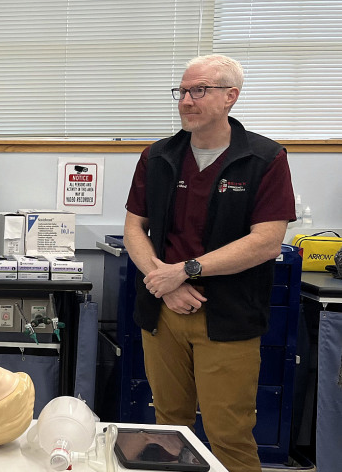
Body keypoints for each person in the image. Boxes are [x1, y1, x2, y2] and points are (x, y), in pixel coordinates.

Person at [123, 54, 295, 472]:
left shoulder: (264, 159)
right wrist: (163, 280)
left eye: (198, 90)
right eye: (181, 91)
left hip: (227, 317)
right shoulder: (158, 157)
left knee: (229, 435)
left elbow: (266, 242)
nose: (185, 100)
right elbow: (133, 229)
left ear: (230, 97)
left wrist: (185, 270)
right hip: (163, 313)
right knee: (168, 432)